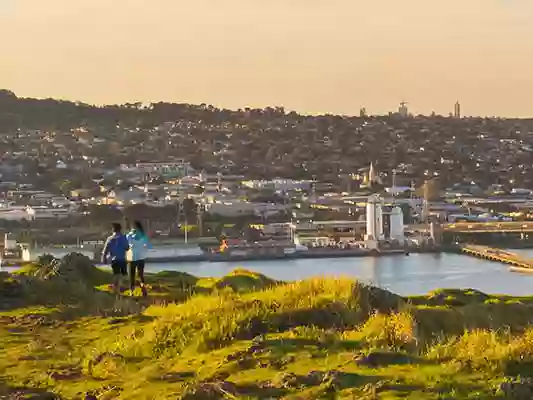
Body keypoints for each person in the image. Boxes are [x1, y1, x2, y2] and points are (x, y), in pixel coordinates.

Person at [101, 223, 129, 294]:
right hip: (122, 260)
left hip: (114, 260)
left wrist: (104, 258)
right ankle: (121, 289)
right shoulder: (123, 237)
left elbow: (105, 250)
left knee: (116, 275)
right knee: (124, 275)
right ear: (120, 229)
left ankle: (116, 290)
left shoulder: (110, 238)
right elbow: (127, 248)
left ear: (113, 229)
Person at [126, 220, 152, 297]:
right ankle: (142, 286)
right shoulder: (143, 235)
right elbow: (149, 246)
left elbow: (126, 245)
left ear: (133, 227)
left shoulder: (129, 235)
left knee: (132, 275)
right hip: (141, 257)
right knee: (141, 275)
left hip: (132, 257)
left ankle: (132, 292)